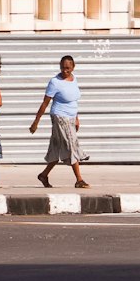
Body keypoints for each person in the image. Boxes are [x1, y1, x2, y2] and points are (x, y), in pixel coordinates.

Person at [30, 53, 89, 191]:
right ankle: (79, 179)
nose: (65, 71)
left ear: (73, 67)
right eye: (62, 68)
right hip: (60, 117)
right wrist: (36, 122)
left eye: (68, 68)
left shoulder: (74, 79)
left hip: (70, 117)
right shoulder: (55, 82)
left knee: (56, 149)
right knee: (71, 145)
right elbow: (45, 103)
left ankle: (44, 175)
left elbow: (73, 101)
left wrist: (76, 118)